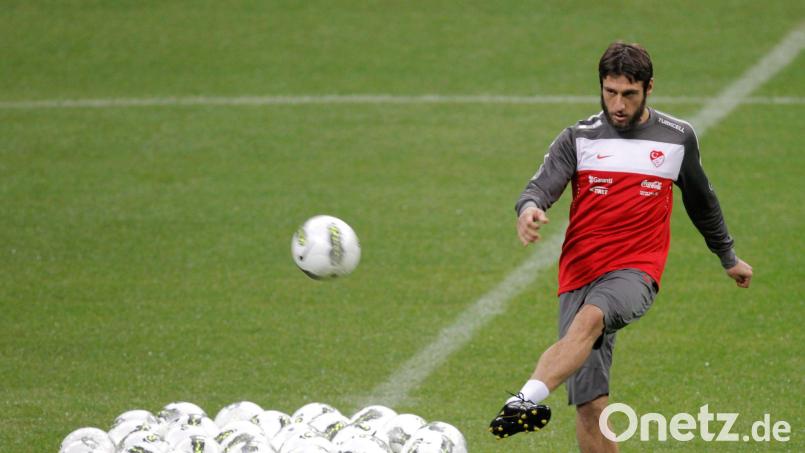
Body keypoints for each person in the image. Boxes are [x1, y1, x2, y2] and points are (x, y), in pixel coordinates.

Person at [488, 41, 753, 452]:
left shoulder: (676, 138)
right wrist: (529, 209)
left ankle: (523, 400)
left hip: (635, 271)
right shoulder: (578, 138)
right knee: (591, 408)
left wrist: (728, 257)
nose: (618, 104)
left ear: (649, 88)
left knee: (591, 319)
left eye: (628, 94)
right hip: (578, 272)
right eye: (610, 92)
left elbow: (702, 202)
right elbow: (541, 185)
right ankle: (526, 399)